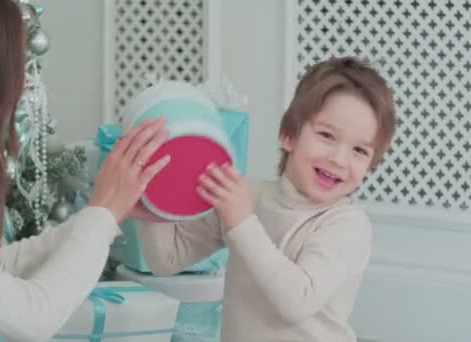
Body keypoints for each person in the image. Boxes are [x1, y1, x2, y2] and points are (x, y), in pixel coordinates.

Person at [0, 0, 170, 341]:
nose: (20, 85)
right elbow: (34, 317)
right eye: (14, 65)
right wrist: (102, 216)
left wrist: (106, 216)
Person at [135, 56, 397, 342]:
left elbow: (298, 300)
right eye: (326, 135)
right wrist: (156, 207)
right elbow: (167, 259)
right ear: (289, 136)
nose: (339, 159)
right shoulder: (247, 196)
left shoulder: (346, 225)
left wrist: (241, 221)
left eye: (359, 151)